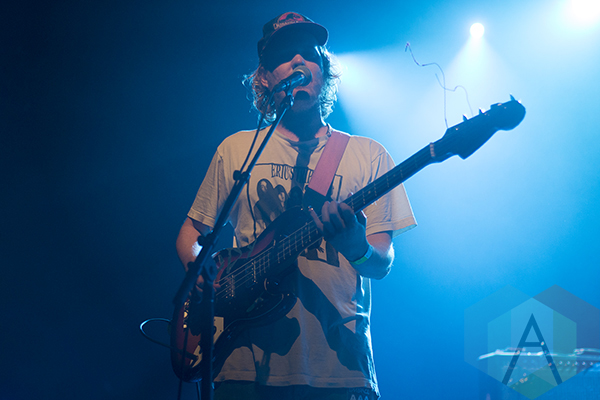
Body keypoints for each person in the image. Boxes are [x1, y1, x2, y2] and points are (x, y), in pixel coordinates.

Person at [176, 11, 417, 400]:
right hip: (243, 362)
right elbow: (192, 232)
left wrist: (356, 247)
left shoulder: (368, 154)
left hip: (339, 369)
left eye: (309, 53)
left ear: (324, 72)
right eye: (284, 55)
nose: (298, 61)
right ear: (264, 77)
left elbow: (382, 263)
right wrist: (200, 272)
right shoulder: (237, 149)